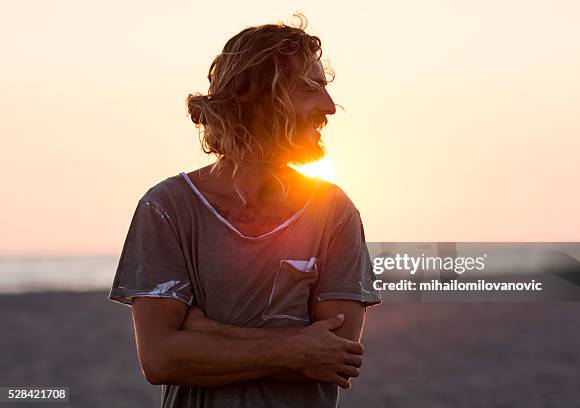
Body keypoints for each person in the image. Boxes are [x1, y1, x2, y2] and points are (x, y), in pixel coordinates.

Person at [108, 14, 381, 408]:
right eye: (310, 88)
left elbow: (334, 359)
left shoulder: (333, 210)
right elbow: (161, 359)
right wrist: (295, 347)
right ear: (261, 97)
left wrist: (207, 334)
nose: (329, 106)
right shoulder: (167, 207)